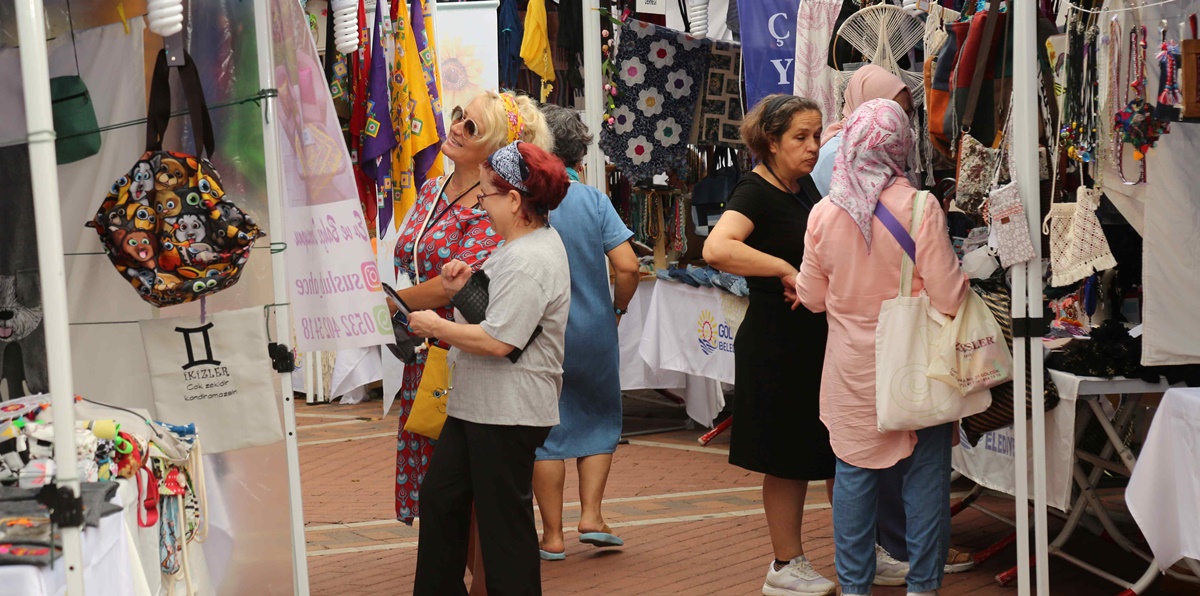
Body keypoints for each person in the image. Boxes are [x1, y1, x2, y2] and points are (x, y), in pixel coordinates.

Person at [796, 98, 970, 596]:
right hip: (915, 365)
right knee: (925, 483)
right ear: (900, 144)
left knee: (852, 477)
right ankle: (922, 588)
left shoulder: (824, 213)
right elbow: (949, 294)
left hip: (851, 370)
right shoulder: (920, 206)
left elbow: (809, 298)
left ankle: (854, 589)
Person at [409, 140, 572, 595]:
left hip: (508, 411)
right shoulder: (523, 246)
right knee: (442, 500)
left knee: (504, 527)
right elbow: (503, 319)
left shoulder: (529, 258)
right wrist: (463, 290)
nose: (482, 204)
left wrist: (431, 324)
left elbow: (500, 340)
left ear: (515, 200)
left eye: (486, 195)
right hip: (481, 406)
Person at [390, 90, 552, 526]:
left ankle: (485, 583)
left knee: (473, 491)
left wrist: (391, 303)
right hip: (426, 351)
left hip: (464, 352)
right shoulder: (434, 187)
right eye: (458, 116)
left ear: (497, 150)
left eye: (471, 126)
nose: (456, 127)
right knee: (441, 491)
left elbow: (453, 288)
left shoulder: (496, 202)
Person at [702, 94, 837, 596]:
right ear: (771, 141)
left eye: (817, 135)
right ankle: (785, 564)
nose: (812, 146)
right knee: (787, 456)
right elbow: (718, 248)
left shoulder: (802, 187)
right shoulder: (755, 190)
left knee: (828, 449)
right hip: (776, 343)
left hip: (811, 341)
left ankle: (860, 547)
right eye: (800, 137)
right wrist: (783, 269)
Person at [532, 105, 640, 560]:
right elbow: (628, 265)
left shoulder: (528, 200)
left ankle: (552, 535)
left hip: (540, 334)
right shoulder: (593, 199)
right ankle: (592, 516)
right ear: (578, 153)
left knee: (547, 433)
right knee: (599, 419)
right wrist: (617, 308)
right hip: (594, 330)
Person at [811, 65, 913, 197]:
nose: (902, 121)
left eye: (907, 113)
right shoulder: (837, 154)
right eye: (892, 113)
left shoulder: (887, 149)